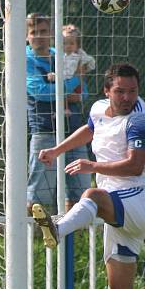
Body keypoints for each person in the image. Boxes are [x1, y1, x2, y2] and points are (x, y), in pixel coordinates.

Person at [32, 62, 145, 289]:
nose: (127, 97)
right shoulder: (99, 108)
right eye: (120, 90)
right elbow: (91, 128)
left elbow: (135, 164)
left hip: (137, 200)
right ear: (107, 91)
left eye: (132, 91)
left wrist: (91, 164)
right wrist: (58, 150)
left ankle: (58, 229)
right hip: (119, 209)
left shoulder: (139, 121)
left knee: (91, 194)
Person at [26, 12, 90, 214]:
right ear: (26, 36)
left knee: (80, 195)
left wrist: (67, 89)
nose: (38, 36)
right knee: (38, 196)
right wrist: (71, 84)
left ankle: (70, 241)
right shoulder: (24, 59)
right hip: (45, 132)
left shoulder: (62, 53)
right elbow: (41, 92)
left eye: (43, 31)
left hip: (73, 132)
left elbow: (84, 92)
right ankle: (34, 243)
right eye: (33, 32)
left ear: (51, 33)